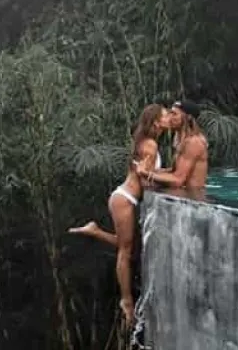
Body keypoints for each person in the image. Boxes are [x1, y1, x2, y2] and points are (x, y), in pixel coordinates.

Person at [68, 103, 167, 326]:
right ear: (155, 121)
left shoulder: (146, 141)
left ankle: (94, 231)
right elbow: (146, 181)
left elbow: (149, 174)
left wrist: (169, 174)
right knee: (125, 252)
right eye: (164, 116)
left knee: (131, 247)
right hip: (124, 199)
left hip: (126, 198)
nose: (168, 118)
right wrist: (171, 181)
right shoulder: (150, 144)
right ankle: (126, 301)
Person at [136, 100, 208, 198]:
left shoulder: (193, 142)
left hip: (193, 199)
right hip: (182, 195)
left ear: (188, 118)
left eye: (174, 114)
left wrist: (146, 173)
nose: (169, 117)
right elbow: (176, 170)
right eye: (170, 113)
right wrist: (154, 171)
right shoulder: (179, 139)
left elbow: (178, 180)